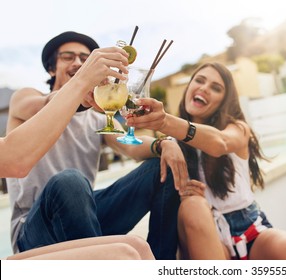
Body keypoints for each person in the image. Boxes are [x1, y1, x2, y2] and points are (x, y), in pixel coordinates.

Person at [6, 31, 188, 260]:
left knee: (161, 167)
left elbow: (130, 145)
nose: (79, 63)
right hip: (34, 231)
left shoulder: (100, 118)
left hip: (83, 219)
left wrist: (163, 144)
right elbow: (44, 104)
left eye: (85, 58)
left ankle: (161, 265)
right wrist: (79, 93)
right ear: (51, 68)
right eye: (68, 57)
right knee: (69, 181)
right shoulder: (26, 98)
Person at [126, 62, 286, 260]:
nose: (204, 88)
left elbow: (220, 143)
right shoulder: (172, 145)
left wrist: (164, 122)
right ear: (189, 87)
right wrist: (161, 144)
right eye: (199, 80)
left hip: (250, 227)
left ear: (224, 100)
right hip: (204, 235)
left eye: (216, 88)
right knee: (193, 206)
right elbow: (132, 147)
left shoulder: (237, 129)